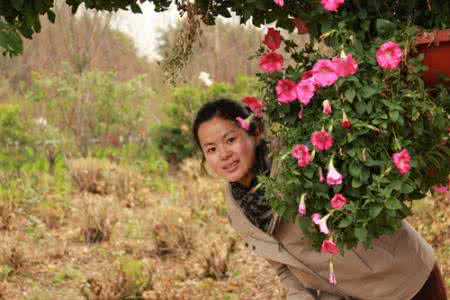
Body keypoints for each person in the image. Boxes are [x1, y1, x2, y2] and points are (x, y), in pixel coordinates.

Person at [192, 98, 448, 300]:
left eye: (230, 139)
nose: (223, 154)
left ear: (255, 134)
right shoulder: (237, 210)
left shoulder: (298, 159)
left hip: (402, 279)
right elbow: (284, 267)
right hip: (345, 294)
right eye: (211, 149)